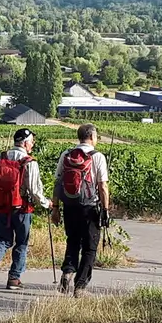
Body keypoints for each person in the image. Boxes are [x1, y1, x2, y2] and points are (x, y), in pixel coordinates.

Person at [0, 127, 47, 290]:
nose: (32, 145)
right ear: (25, 143)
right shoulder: (29, 162)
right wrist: (46, 203)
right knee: (22, 242)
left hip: (1, 207)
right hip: (22, 208)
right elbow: (34, 190)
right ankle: (14, 279)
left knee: (3, 240)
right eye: (31, 142)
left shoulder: (0, 157)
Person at [53, 122, 111, 297]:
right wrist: (106, 209)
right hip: (90, 208)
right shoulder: (98, 157)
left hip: (69, 206)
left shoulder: (66, 154)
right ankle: (80, 286)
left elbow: (57, 183)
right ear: (92, 136)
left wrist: (55, 207)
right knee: (89, 247)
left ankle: (67, 272)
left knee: (72, 241)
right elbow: (103, 186)